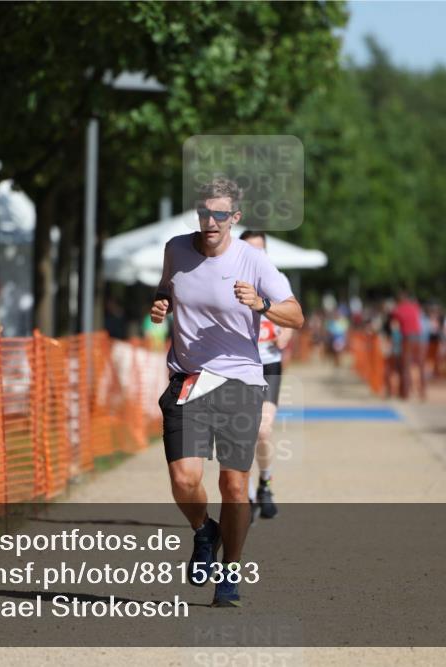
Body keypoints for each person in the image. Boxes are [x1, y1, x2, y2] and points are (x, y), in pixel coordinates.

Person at [150, 178, 304, 607]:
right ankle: (205, 530)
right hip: (189, 378)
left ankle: (230, 571)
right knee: (184, 480)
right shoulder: (176, 249)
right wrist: (160, 302)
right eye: (204, 213)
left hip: (239, 380)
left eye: (220, 214)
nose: (211, 222)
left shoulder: (253, 261)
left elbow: (297, 316)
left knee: (234, 486)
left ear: (234, 218)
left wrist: (261, 305)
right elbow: (167, 287)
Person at [239, 230, 292, 520]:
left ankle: (265, 483)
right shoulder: (227, 278)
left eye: (260, 251)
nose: (254, 256)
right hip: (238, 366)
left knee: (261, 429)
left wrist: (288, 334)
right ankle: (244, 496)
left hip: (269, 363)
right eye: (249, 250)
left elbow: (294, 313)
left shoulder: (276, 278)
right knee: (241, 433)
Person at [391, 290, 425, 400]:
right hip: (419, 338)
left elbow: (394, 327)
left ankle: (405, 393)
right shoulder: (415, 307)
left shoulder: (397, 310)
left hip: (407, 338)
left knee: (405, 365)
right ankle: (422, 392)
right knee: (420, 365)